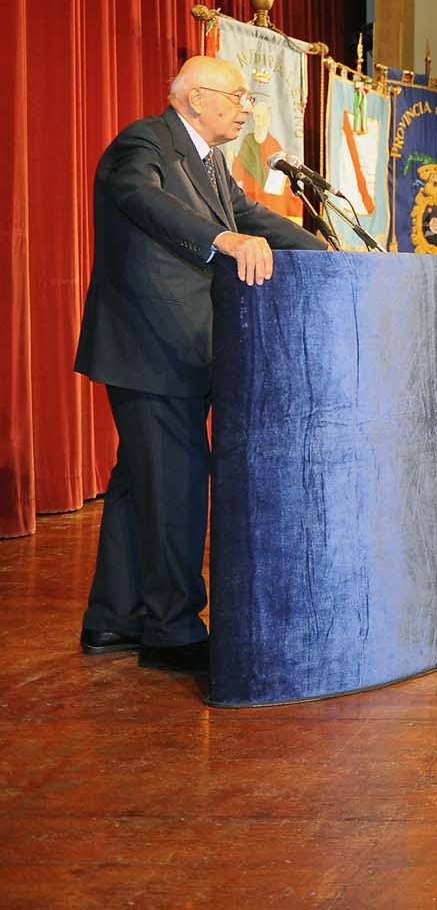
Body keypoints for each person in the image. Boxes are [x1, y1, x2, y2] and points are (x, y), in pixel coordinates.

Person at [74, 55, 329, 674]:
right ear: (194, 98)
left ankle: (115, 620)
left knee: (143, 487)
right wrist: (221, 241)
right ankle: (172, 631)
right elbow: (142, 200)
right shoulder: (143, 142)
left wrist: (327, 252)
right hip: (150, 347)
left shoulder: (212, 163)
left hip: (180, 349)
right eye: (239, 97)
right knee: (175, 487)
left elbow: (250, 216)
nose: (247, 108)